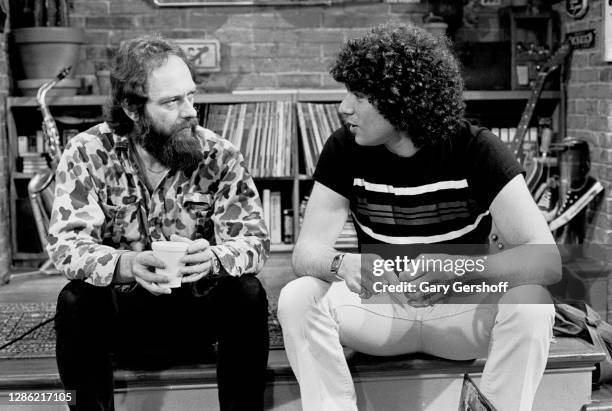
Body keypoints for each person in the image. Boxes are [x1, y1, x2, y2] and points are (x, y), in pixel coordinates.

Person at [278, 22, 561, 411]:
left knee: (534, 301)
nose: (343, 107)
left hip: (460, 313)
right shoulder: (344, 147)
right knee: (297, 297)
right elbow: (305, 252)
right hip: (378, 308)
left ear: (402, 100)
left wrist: (460, 270)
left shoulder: (477, 149)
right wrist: (341, 263)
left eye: (358, 95)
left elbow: (546, 260)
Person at [48, 35, 270, 411]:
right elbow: (66, 245)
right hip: (123, 315)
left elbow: (255, 241)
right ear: (133, 110)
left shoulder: (219, 154)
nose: (190, 111)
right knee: (75, 301)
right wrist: (126, 265)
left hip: (195, 313)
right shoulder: (87, 152)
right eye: (171, 101)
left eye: (190, 96)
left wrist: (214, 258)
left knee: (247, 293)